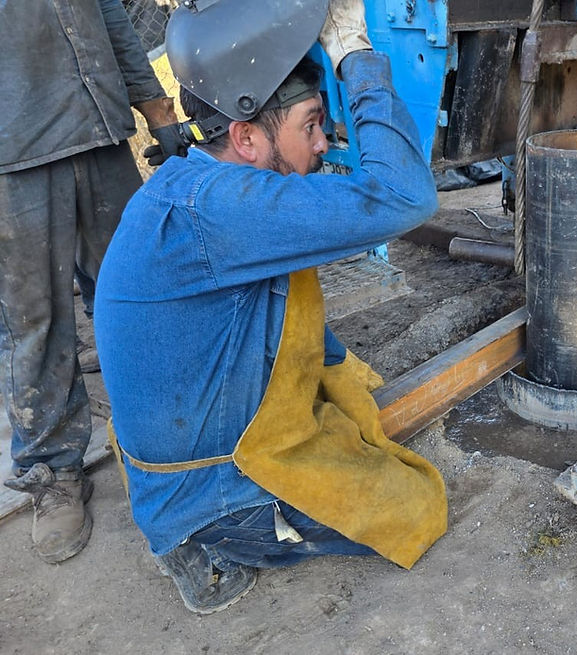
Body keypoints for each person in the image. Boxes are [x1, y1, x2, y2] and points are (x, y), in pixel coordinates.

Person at [94, 0, 448, 614]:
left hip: (167, 457)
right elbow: (404, 197)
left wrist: (335, 370)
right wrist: (357, 59)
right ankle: (209, 544)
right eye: (311, 125)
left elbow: (277, 311)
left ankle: (193, 525)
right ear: (247, 136)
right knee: (412, 504)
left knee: (339, 401)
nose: (323, 142)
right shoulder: (223, 211)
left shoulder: (195, 184)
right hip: (206, 488)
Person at [0, 0, 183, 564]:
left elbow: (112, 21)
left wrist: (161, 115)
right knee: (37, 320)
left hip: (100, 136)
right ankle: (52, 469)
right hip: (14, 155)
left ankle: (167, 436)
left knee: (137, 294)